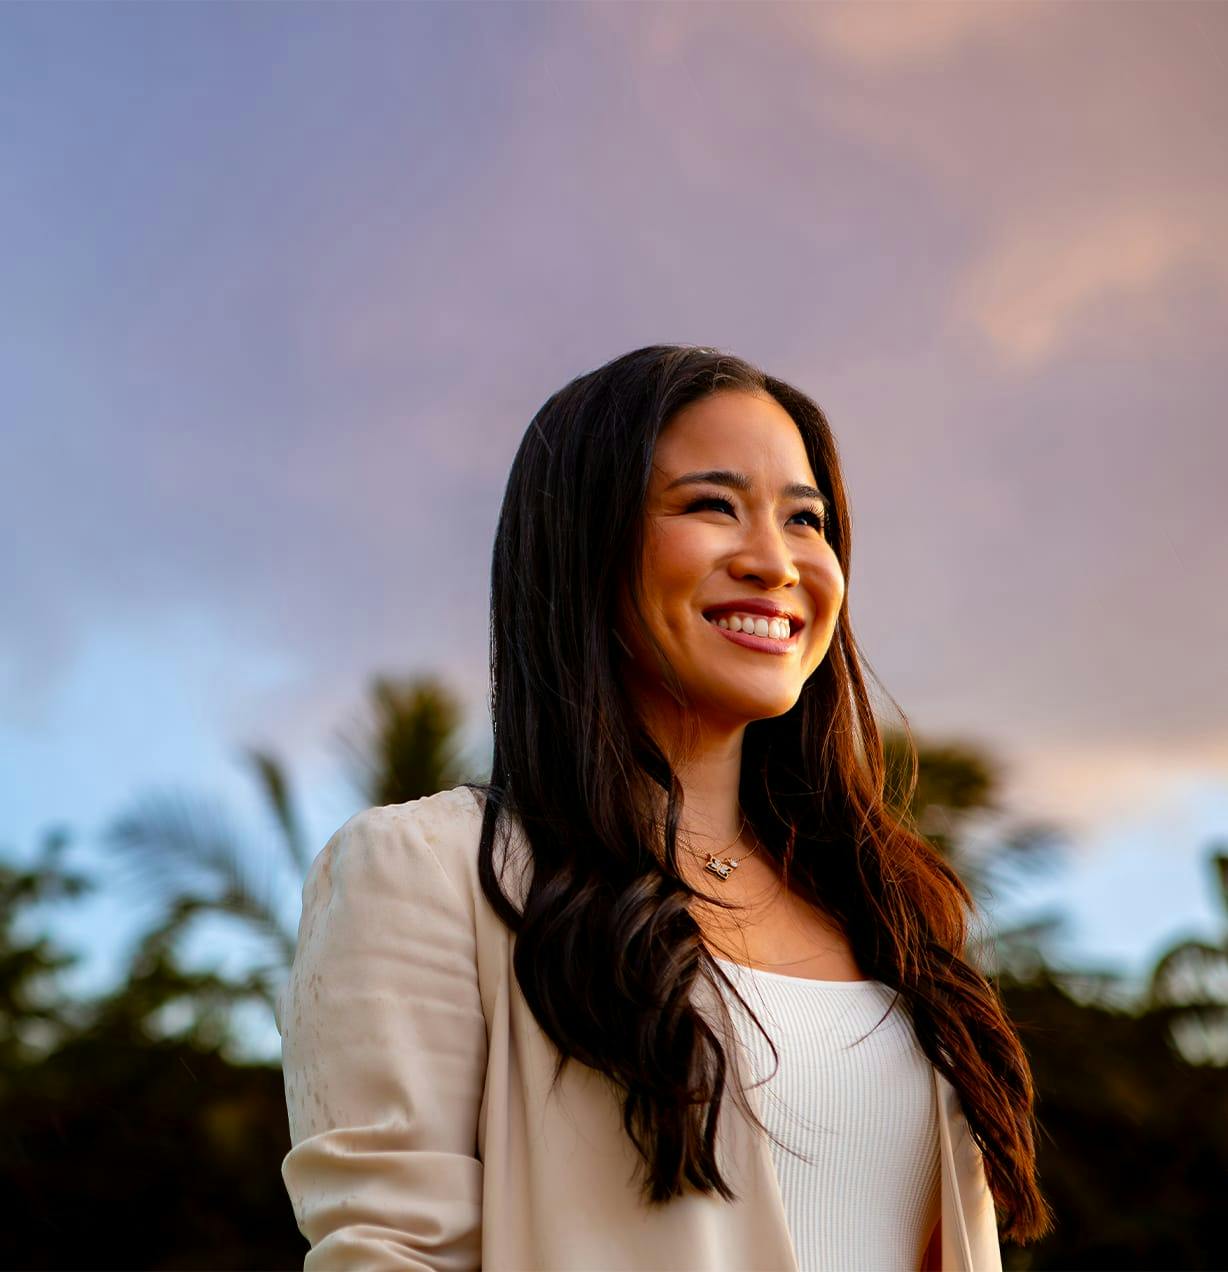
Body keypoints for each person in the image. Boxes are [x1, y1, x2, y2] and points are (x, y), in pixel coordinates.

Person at [276, 345, 1055, 1270]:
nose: (774, 561)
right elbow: (389, 1253)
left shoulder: (889, 904)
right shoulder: (433, 872)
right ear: (586, 543)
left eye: (806, 520)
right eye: (711, 505)